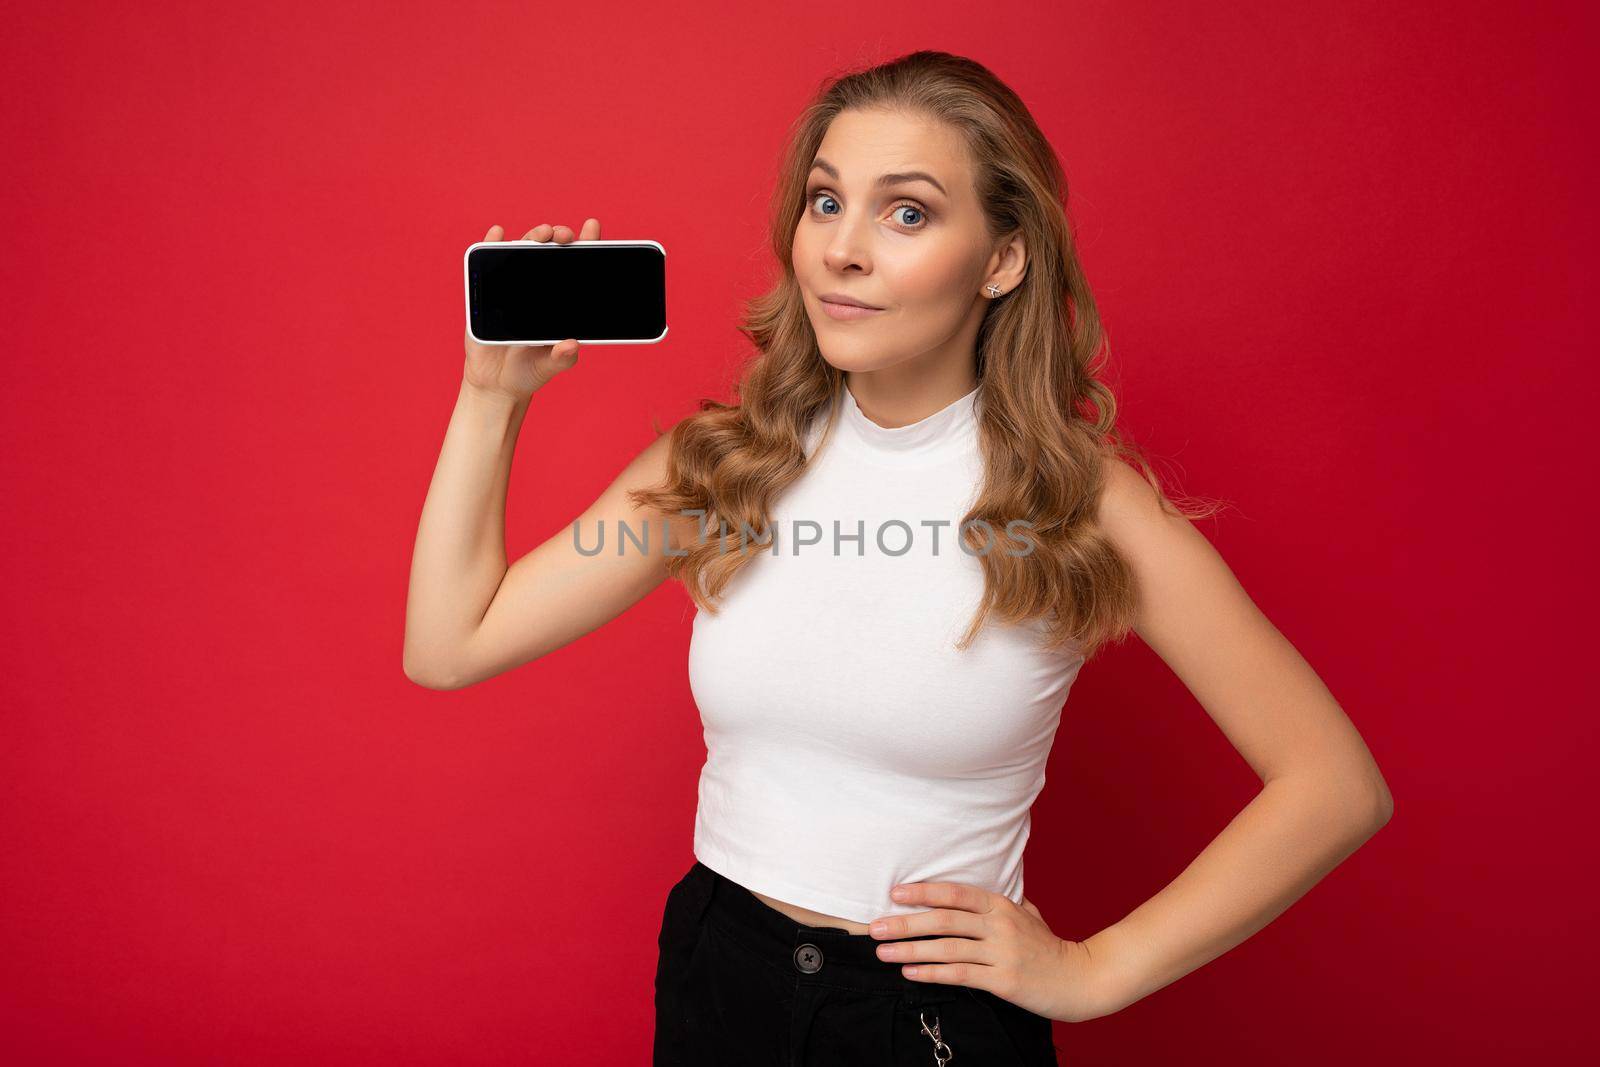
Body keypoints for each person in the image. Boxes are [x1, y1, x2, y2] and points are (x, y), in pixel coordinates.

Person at [404, 49, 1394, 1067]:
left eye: (907, 212)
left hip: (924, 1023)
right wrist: (492, 399)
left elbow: (1333, 784)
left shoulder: (1081, 506)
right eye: (825, 201)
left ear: (1002, 258)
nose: (842, 250)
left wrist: (1097, 967)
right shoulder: (725, 463)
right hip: (717, 972)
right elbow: (448, 644)